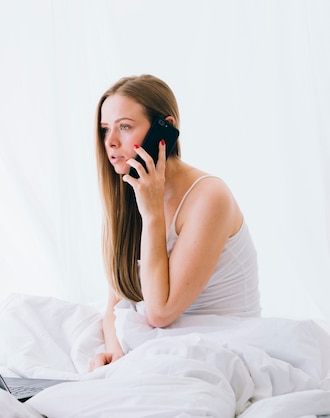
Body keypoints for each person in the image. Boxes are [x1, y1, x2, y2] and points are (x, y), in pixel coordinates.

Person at [89, 74, 261, 371]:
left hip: (219, 345)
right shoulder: (132, 188)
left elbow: (160, 312)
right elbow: (114, 304)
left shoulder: (209, 196)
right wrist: (115, 354)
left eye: (125, 127)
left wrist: (153, 214)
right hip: (161, 341)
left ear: (164, 130)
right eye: (105, 130)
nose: (111, 142)